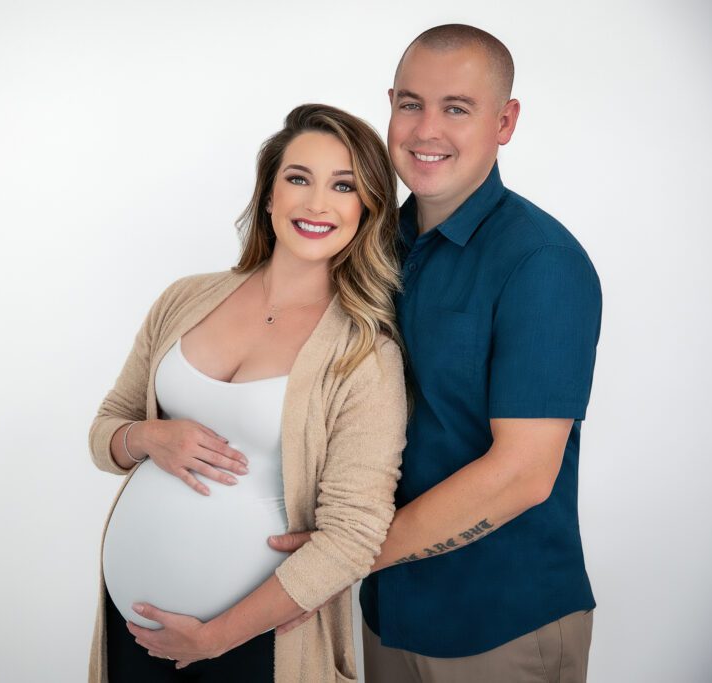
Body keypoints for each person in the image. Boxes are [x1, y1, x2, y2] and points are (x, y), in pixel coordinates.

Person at [270, 25, 602, 682]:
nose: (427, 130)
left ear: (504, 122)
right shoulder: (369, 244)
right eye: (411, 104)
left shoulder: (542, 263)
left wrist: (338, 559)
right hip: (384, 610)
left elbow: (523, 474)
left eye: (457, 108)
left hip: (499, 623)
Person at [86, 103, 408, 682]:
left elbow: (353, 535)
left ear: (366, 210)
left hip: (256, 647)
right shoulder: (185, 299)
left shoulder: (364, 354)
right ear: (268, 195)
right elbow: (106, 430)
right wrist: (147, 437)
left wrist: (214, 639)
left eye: (343, 186)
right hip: (131, 628)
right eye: (299, 178)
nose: (317, 204)